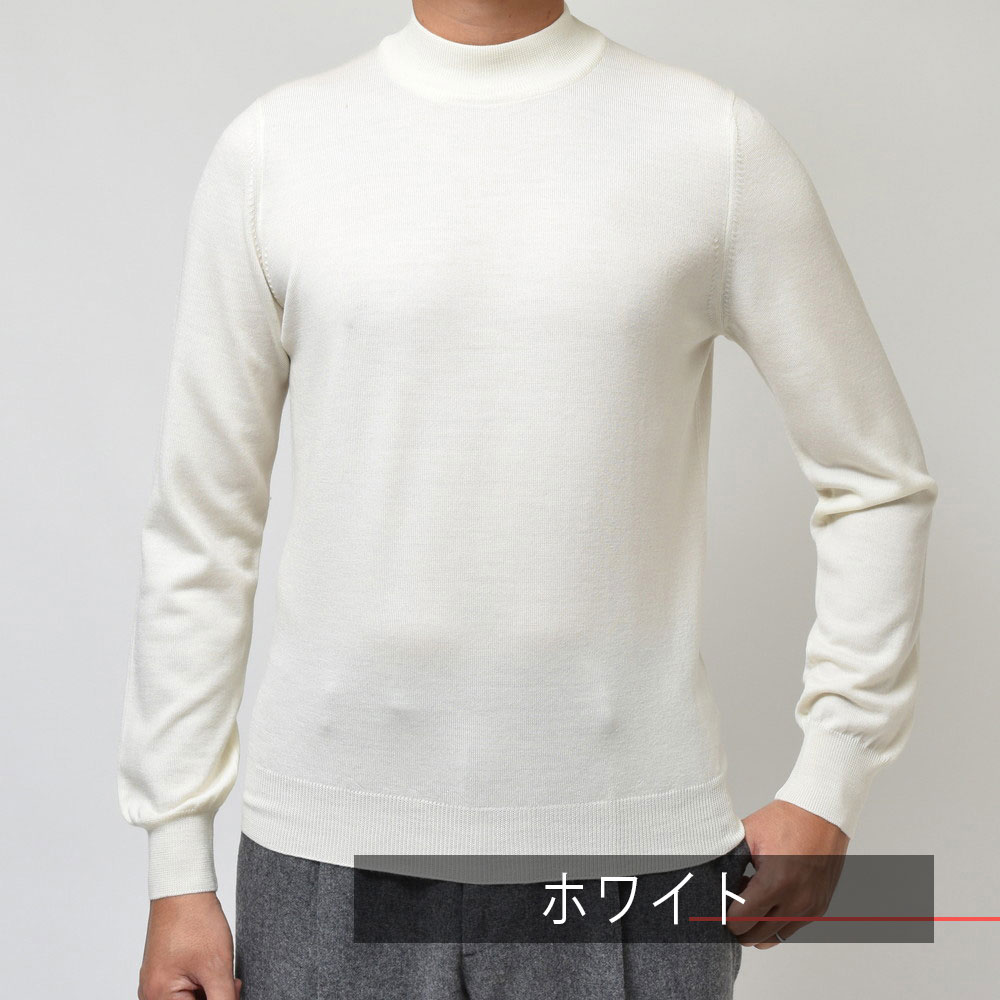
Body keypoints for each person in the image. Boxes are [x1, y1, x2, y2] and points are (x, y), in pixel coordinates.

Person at [117, 2, 938, 998]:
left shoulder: (710, 146)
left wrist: (832, 777)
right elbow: (203, 528)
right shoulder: (276, 150)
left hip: (630, 863)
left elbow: (875, 477)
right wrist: (176, 865)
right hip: (324, 855)